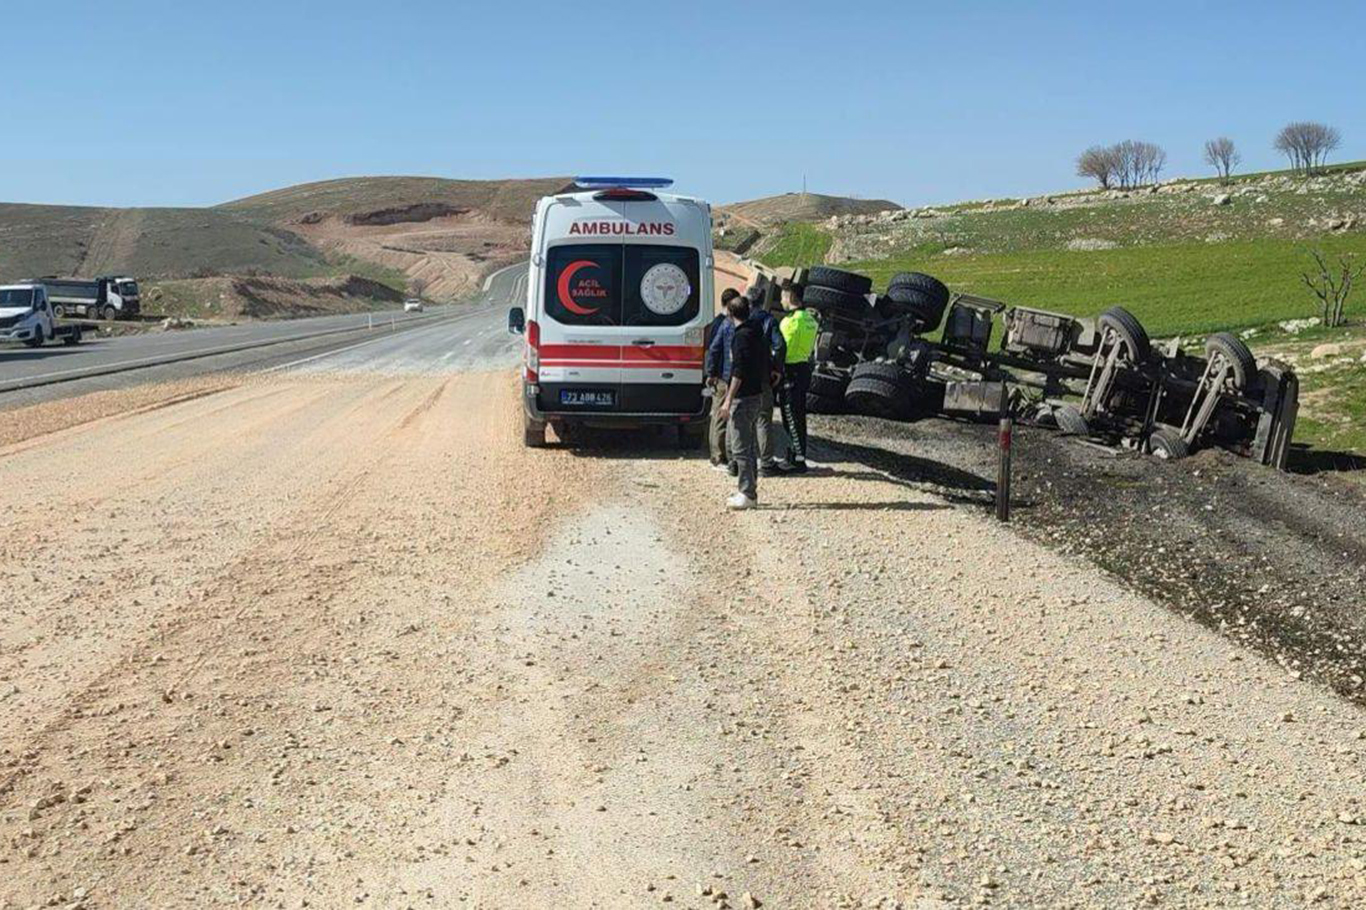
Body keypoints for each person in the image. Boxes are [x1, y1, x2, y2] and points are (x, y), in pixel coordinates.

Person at [705, 286, 786, 476]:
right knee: (762, 420)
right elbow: (778, 346)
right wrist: (777, 368)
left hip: (729, 378)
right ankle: (765, 462)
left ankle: (729, 460)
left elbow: (715, 348)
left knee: (729, 419)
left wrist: (711, 372)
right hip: (759, 378)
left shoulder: (727, 324)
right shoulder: (763, 323)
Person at [716, 292, 769, 510]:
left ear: (730, 313)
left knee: (741, 448)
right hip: (757, 393)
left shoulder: (740, 337)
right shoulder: (757, 331)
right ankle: (748, 489)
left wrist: (728, 400)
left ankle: (747, 493)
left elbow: (738, 371)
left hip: (743, 397)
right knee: (748, 446)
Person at [777, 282, 817, 472]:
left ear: (790, 297)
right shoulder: (810, 319)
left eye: (783, 296)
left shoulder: (790, 321)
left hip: (790, 370)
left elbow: (782, 349)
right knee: (799, 415)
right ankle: (798, 455)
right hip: (804, 367)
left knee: (790, 417)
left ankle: (796, 459)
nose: (781, 300)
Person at [702, 298, 733, 470]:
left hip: (719, 375)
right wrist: (712, 373)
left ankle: (717, 453)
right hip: (722, 376)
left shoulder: (717, 322)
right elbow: (713, 350)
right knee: (720, 416)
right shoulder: (724, 324)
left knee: (717, 415)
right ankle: (718, 456)